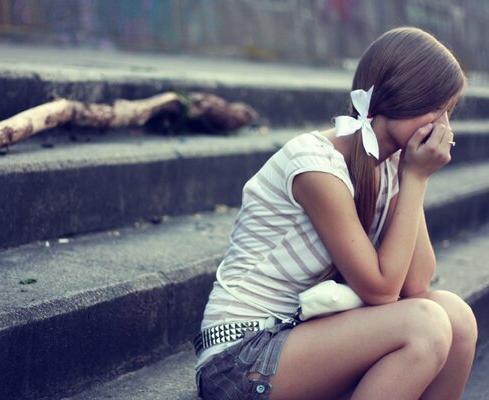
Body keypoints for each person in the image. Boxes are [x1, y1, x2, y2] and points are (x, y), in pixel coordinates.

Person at [194, 26, 478, 400]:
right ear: (402, 99)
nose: (444, 129)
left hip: (302, 337)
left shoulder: (389, 165)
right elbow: (381, 291)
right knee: (424, 326)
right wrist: (416, 179)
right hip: (240, 355)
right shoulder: (314, 165)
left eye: (449, 114)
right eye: (438, 111)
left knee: (454, 315)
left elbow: (416, 285)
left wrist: (410, 178)